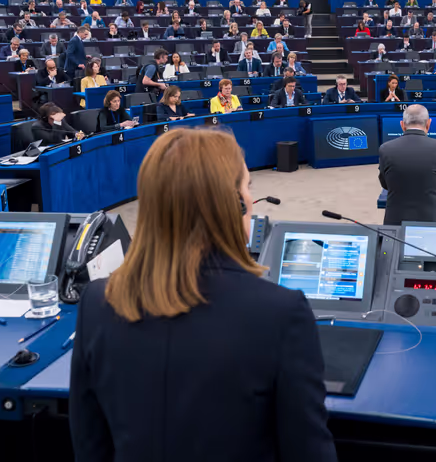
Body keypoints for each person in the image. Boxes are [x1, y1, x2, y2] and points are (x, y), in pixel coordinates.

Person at [70, 128, 336, 462]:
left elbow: (89, 447)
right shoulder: (281, 313)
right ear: (235, 205)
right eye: (247, 189)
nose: (252, 202)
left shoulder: (97, 301)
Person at [378, 105, 436, 225]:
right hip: (432, 220)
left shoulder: (385, 149)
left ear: (402, 125)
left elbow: (385, 184)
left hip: (396, 222)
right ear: (428, 124)